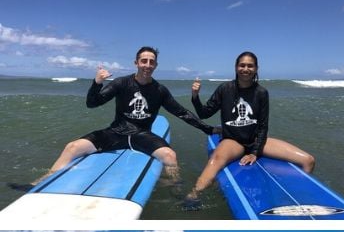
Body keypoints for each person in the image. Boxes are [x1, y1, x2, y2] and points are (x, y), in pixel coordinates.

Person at [10, 47, 215, 191]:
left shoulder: (160, 90)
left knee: (170, 156)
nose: (147, 64)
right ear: (136, 63)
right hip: (116, 132)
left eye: (151, 62)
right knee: (72, 147)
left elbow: (181, 112)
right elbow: (93, 103)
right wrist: (96, 82)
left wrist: (207, 129)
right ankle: (40, 183)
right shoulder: (121, 83)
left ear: (156, 65)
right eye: (144, 61)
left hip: (142, 135)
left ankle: (175, 189)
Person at [183, 51, 315, 208]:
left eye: (250, 65)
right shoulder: (225, 89)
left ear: (256, 68)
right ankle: (194, 194)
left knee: (308, 161)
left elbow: (263, 125)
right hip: (233, 141)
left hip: (256, 140)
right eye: (242, 65)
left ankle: (299, 196)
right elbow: (204, 114)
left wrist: (255, 152)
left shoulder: (261, 93)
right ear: (236, 67)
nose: (246, 68)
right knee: (216, 160)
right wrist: (195, 96)